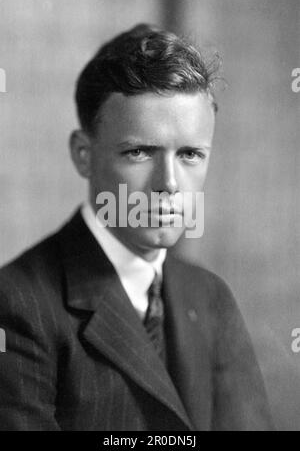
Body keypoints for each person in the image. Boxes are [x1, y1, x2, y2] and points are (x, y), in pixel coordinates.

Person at [0, 24, 274, 431]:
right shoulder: (18, 304)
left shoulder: (212, 297)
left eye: (190, 154)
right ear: (83, 155)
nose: (169, 183)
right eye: (139, 152)